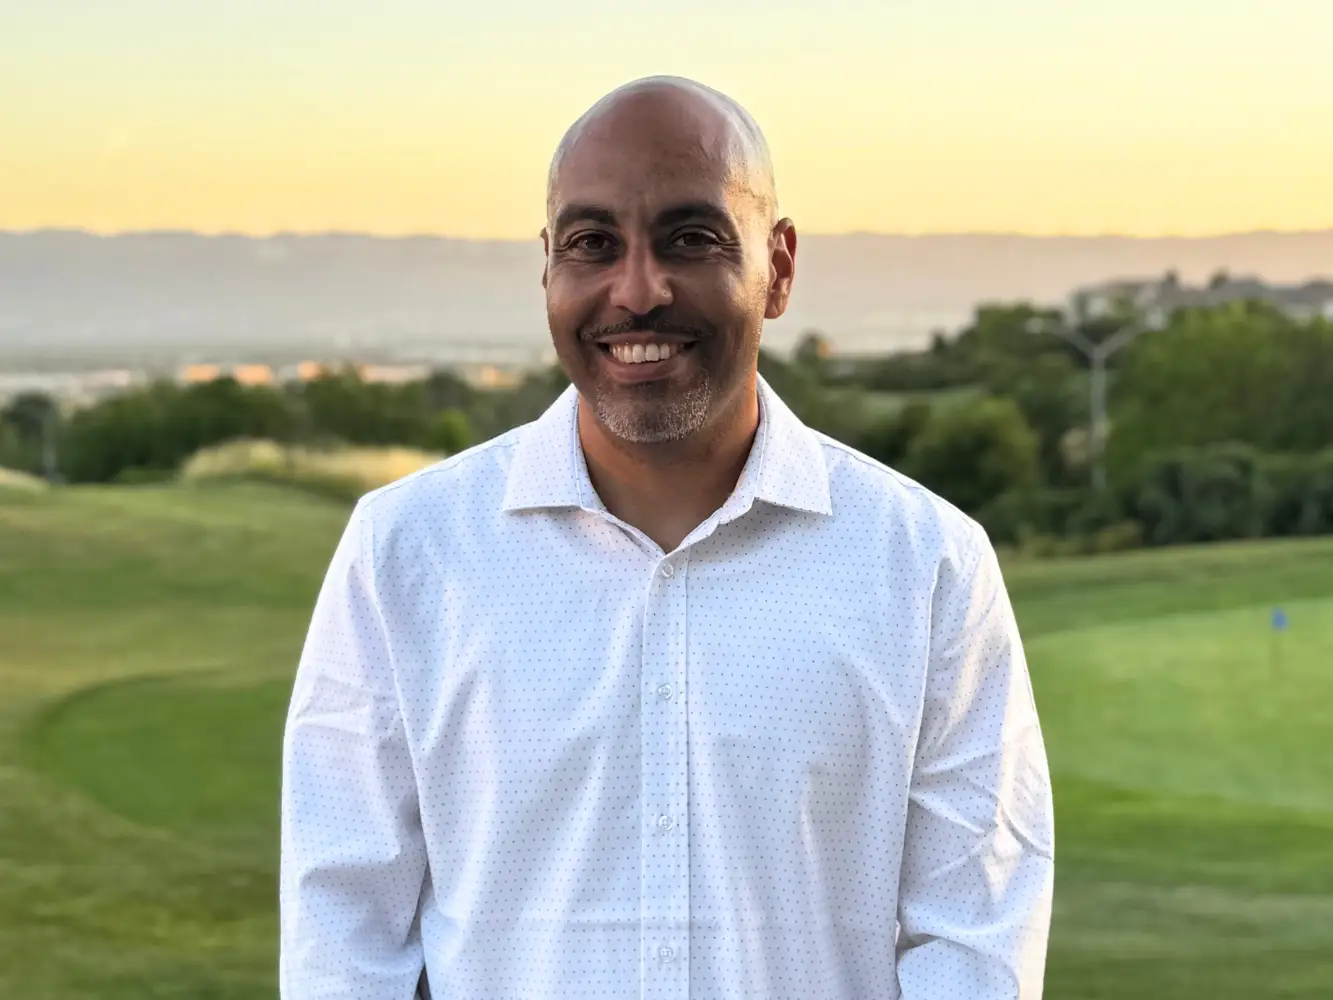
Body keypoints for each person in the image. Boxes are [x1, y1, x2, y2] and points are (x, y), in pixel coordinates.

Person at [280, 75, 1054, 1000]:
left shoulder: (926, 564)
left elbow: (974, 944)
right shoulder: (405, 552)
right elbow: (343, 938)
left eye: (690, 239)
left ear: (780, 267)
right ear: (547, 268)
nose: (637, 291)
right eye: (592, 244)